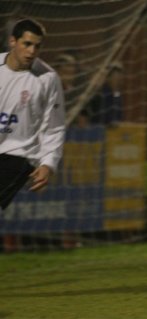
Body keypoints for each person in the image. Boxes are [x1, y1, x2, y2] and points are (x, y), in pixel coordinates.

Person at [0, 18, 66, 210]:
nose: (32, 52)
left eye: (37, 46)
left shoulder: (47, 79)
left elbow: (55, 126)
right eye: (27, 44)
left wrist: (48, 163)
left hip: (19, 154)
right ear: (13, 41)